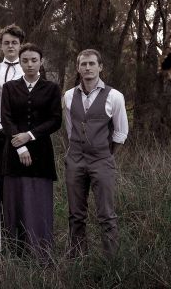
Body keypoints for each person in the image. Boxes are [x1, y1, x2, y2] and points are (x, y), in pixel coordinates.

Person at [63, 49, 128, 257]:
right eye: (84, 64)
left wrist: (107, 155)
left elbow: (120, 132)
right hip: (75, 159)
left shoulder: (115, 96)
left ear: (100, 67)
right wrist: (75, 153)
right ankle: (77, 258)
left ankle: (110, 262)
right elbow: (70, 129)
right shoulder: (68, 95)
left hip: (102, 159)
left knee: (106, 215)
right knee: (75, 214)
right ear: (78, 68)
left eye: (92, 64)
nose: (88, 68)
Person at [1, 43, 62, 261]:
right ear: (20, 61)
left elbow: (56, 121)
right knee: (14, 201)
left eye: (34, 60)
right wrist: (21, 144)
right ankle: (15, 253)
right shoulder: (9, 88)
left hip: (41, 154)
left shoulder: (52, 88)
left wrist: (30, 135)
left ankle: (40, 252)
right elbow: (6, 119)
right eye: (25, 60)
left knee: (38, 202)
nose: (29, 64)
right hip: (14, 154)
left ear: (41, 62)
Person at [0, 24, 26, 202]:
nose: (10, 46)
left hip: (22, 132)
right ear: (1, 46)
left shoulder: (29, 69)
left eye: (14, 42)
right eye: (6, 42)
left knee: (20, 176)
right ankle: (0, 221)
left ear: (20, 45)